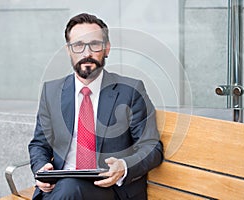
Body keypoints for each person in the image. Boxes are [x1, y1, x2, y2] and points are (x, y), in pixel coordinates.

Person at [28, 13, 163, 200]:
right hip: (60, 187)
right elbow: (39, 144)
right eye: (78, 45)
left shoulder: (130, 91)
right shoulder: (51, 92)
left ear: (107, 48)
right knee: (68, 186)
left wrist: (123, 166)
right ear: (69, 50)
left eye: (95, 44)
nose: (86, 53)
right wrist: (41, 168)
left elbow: (151, 147)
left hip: (110, 189)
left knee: (70, 187)